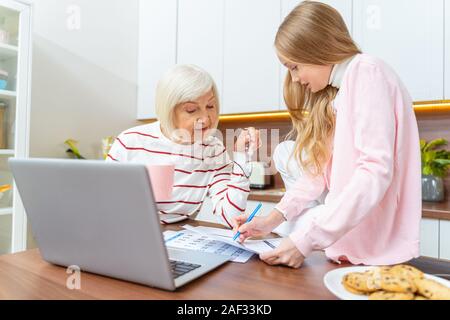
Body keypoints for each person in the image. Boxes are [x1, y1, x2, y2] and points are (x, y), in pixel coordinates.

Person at [233, 1, 421, 268]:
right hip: (351, 250)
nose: (295, 78)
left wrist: (306, 240)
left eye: (294, 67)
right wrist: (271, 220)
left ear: (315, 48)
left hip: (376, 256)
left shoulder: (366, 71)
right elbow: (317, 174)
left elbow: (374, 170)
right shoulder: (340, 94)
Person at [107, 64, 259, 226]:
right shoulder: (130, 142)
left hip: (177, 237)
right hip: (127, 229)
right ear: (168, 110)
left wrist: (242, 158)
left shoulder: (213, 151)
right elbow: (102, 201)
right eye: (192, 110)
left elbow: (231, 218)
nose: (206, 119)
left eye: (210, 106)